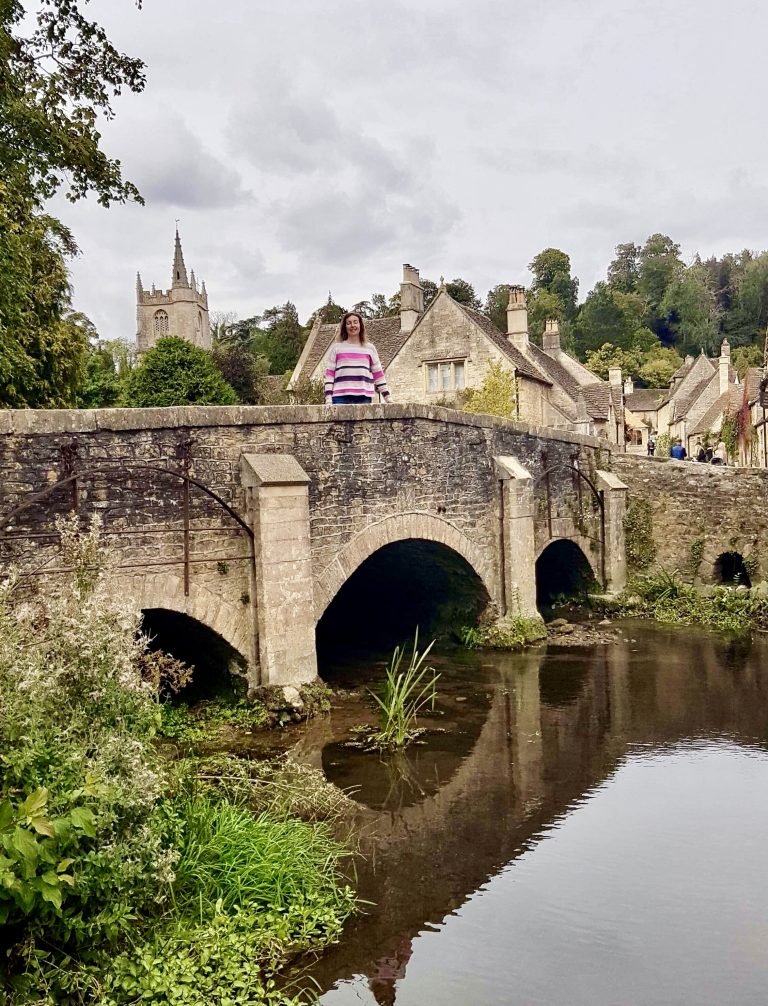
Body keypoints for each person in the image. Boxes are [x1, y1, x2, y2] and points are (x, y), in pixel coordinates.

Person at [324, 311, 392, 405]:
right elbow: (329, 375)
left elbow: (378, 374)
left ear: (360, 325)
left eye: (355, 322)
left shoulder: (370, 348)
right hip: (340, 397)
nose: (352, 325)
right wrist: (328, 398)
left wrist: (387, 397)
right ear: (345, 327)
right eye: (349, 323)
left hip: (363, 396)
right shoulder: (336, 348)